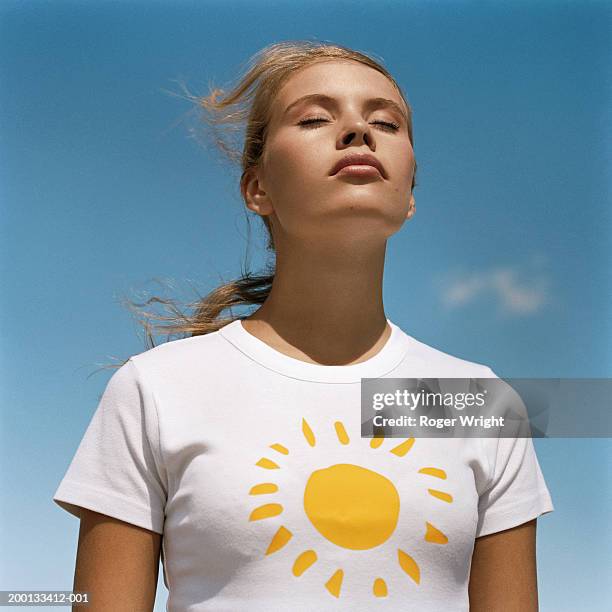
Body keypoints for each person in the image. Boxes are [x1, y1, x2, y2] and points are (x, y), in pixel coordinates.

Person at [53, 40, 554, 611]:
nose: (358, 132)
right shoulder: (155, 389)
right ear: (257, 187)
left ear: (410, 194)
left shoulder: (478, 401)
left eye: (386, 122)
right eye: (315, 118)